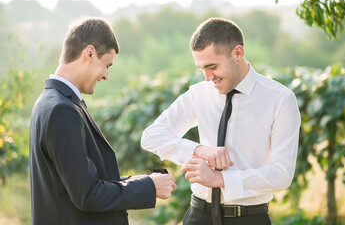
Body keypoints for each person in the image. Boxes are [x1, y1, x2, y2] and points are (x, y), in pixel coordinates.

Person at [141, 17, 301, 225]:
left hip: (250, 219)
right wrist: (200, 150)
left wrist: (220, 180)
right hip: (198, 215)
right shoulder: (199, 93)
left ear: (237, 53)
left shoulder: (280, 99)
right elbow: (151, 137)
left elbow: (281, 173)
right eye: (202, 69)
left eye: (213, 67)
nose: (207, 77)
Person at [29, 17, 176, 225]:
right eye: (107, 65)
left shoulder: (50, 101)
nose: (106, 75)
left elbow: (83, 182)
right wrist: (148, 188)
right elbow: (86, 194)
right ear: (89, 53)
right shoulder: (62, 109)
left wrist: (145, 181)